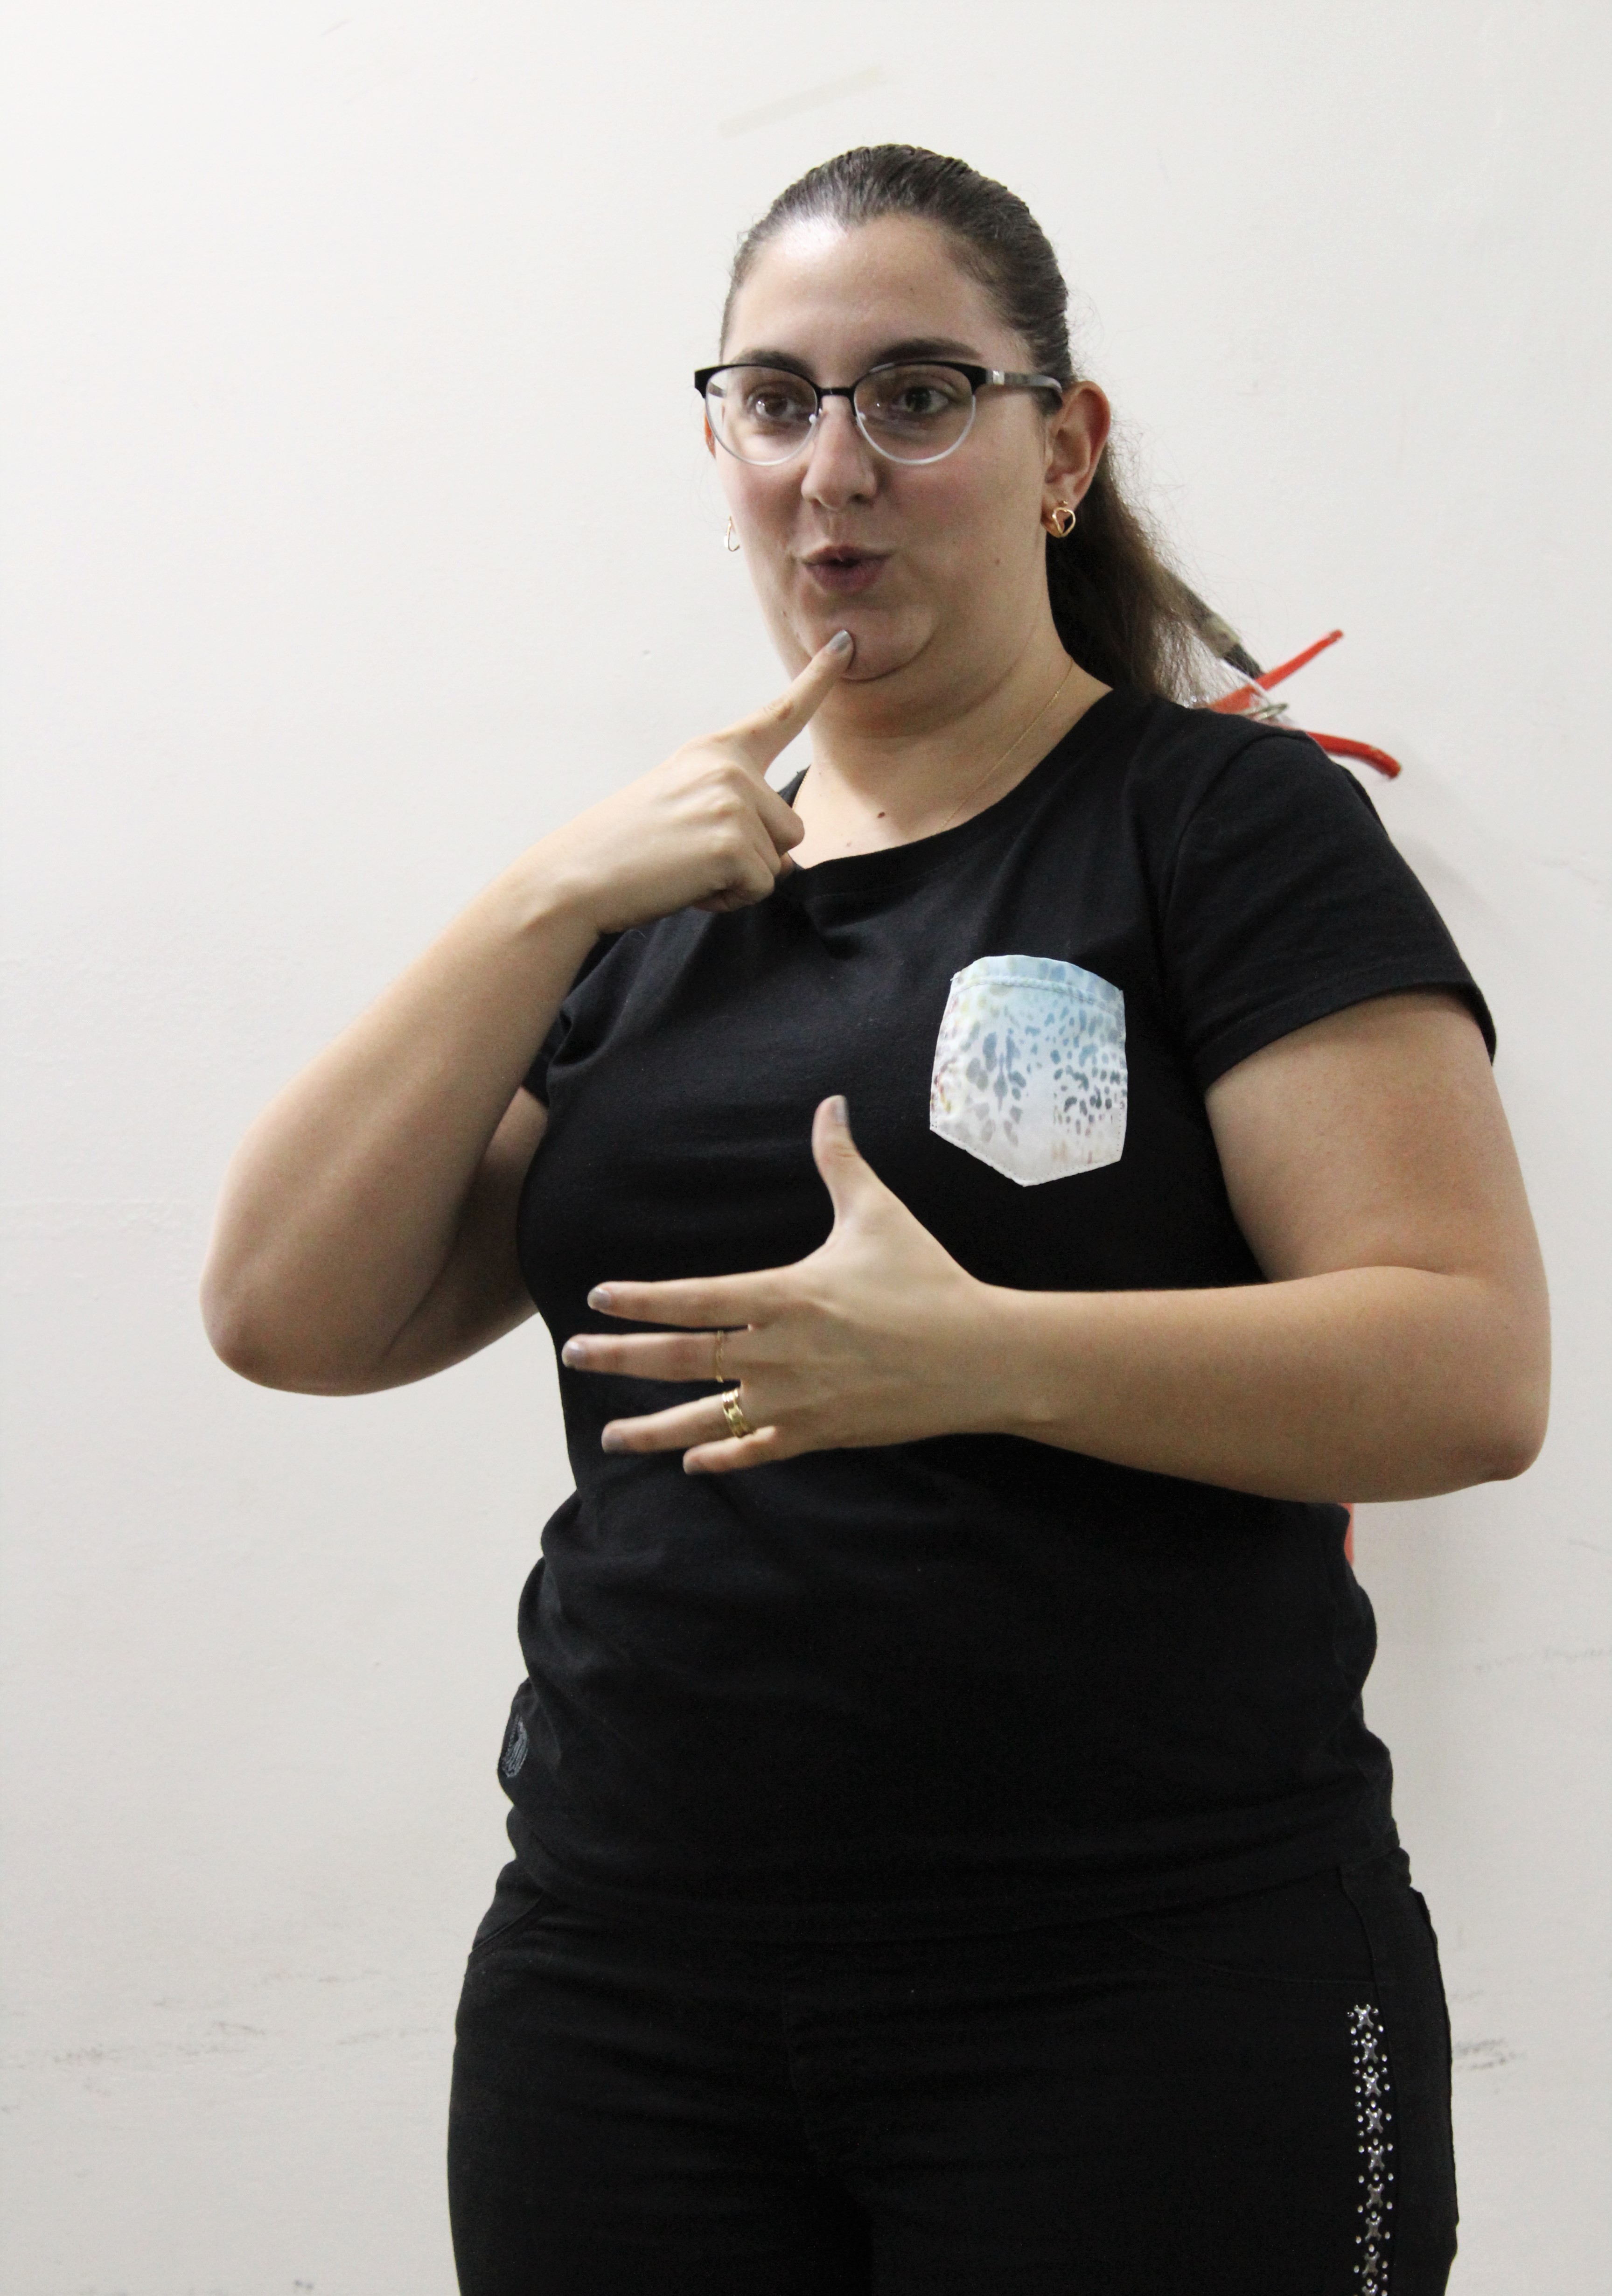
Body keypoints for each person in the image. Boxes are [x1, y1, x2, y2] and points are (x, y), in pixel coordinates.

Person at [202, 146, 1549, 2296]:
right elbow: (288, 1308)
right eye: (777, 399)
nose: (837, 466)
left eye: (918, 395)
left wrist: (974, 1355)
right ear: (723, 446)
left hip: (1148, 1976)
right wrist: (544, 894)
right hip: (626, 1988)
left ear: (1061, 450)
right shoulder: (658, 904)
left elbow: (1464, 1365)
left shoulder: (1220, 826)